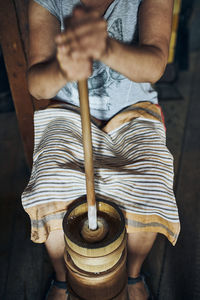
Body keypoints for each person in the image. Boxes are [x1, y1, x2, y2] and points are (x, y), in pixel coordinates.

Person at [22, 0, 180, 299]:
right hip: (68, 112)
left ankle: (132, 274)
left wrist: (106, 48)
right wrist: (61, 69)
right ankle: (63, 276)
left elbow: (154, 65)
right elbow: (38, 86)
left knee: (151, 185)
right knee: (49, 187)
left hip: (134, 111)